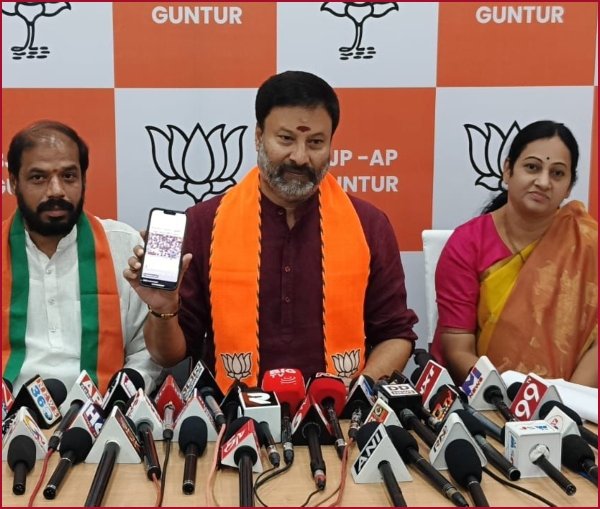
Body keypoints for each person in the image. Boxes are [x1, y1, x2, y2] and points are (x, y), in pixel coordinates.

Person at [125, 70, 418, 390]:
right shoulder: (203, 223)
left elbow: (395, 335)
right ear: (258, 136)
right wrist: (163, 309)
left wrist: (358, 392)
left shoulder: (368, 225)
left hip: (339, 409)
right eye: (286, 139)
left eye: (316, 142)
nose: (300, 157)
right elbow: (168, 356)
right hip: (231, 410)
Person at [431, 120, 597, 387]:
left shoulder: (588, 244)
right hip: (486, 398)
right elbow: (458, 349)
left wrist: (568, 400)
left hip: (571, 401)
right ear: (507, 170)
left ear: (568, 187)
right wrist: (505, 398)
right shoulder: (467, 244)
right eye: (532, 167)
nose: (543, 182)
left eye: (557, 173)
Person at [2, 120, 161, 394]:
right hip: (7, 411)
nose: (56, 190)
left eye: (68, 176)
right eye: (38, 178)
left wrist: (122, 395)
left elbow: (146, 352)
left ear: (83, 179)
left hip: (105, 410)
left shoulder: (124, 245)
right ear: (14, 182)